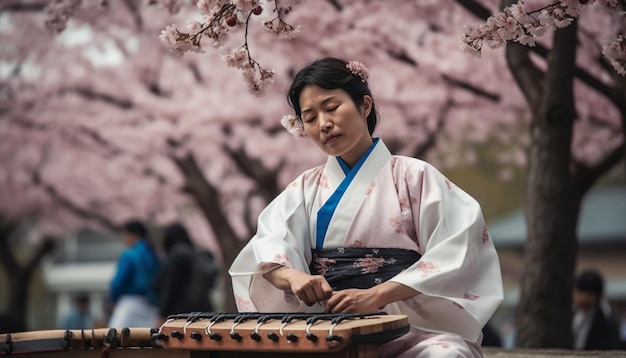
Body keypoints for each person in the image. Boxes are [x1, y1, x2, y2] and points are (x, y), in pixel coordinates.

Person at [229, 57, 503, 357]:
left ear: (365, 105)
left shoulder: (415, 176)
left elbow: (458, 247)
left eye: (332, 108)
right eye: (309, 118)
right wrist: (295, 278)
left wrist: (377, 295)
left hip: (411, 330)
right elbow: (268, 249)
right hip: (329, 330)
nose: (324, 124)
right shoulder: (303, 189)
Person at [154, 222, 217, 321]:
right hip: (204, 310)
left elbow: (171, 287)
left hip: (182, 313)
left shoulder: (177, 256)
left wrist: (162, 313)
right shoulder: (196, 253)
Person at [108, 220, 161, 328]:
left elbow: (118, 283)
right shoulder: (154, 254)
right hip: (151, 305)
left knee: (115, 338)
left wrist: (113, 296)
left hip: (130, 303)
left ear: (133, 235)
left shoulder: (130, 255)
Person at [572, 269, 620, 350]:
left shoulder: (606, 323)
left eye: (588, 293)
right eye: (580, 291)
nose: (583, 297)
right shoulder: (568, 317)